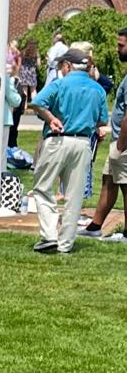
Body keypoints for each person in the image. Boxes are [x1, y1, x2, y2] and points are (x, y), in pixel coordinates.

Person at [27, 46, 109, 254]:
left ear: (67, 66)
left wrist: (51, 118)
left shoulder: (60, 84)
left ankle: (49, 235)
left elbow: (37, 102)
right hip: (83, 143)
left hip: (57, 140)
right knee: (74, 194)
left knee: (43, 187)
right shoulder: (97, 89)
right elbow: (101, 120)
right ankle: (66, 244)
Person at [82, 30, 127, 239]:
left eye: (121, 45)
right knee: (109, 180)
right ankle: (95, 226)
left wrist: (120, 147)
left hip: (124, 144)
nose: (117, 49)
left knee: (125, 186)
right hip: (118, 140)